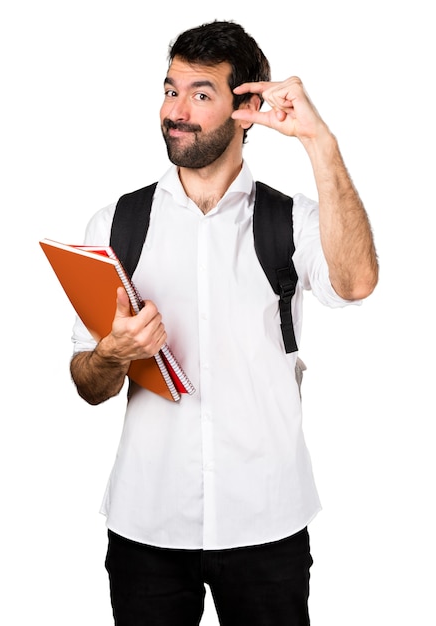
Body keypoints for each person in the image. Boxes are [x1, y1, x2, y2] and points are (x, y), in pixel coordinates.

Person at [69, 20, 378, 626]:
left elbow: (357, 282)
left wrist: (319, 141)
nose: (174, 111)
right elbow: (87, 383)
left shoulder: (293, 223)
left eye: (200, 94)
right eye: (170, 89)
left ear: (246, 109)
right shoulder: (115, 226)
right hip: (147, 525)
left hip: (268, 522)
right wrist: (112, 353)